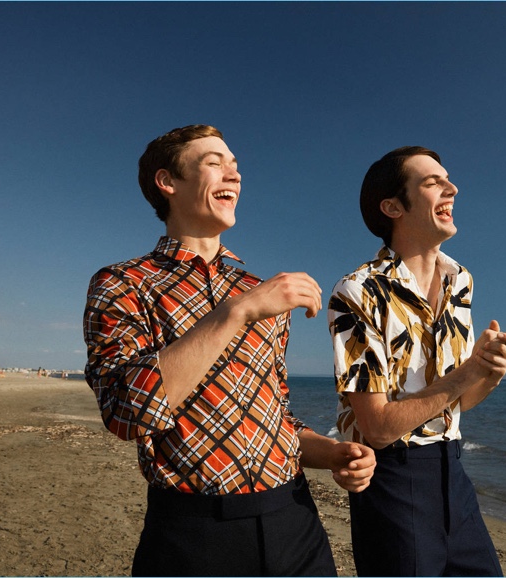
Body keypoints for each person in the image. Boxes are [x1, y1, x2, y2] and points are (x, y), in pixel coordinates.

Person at [83, 124, 376, 577]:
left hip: (294, 520)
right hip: (192, 535)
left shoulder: (261, 294)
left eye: (236, 167)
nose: (234, 176)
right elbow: (126, 412)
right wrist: (236, 313)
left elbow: (275, 415)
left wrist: (329, 451)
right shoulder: (124, 283)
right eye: (215, 164)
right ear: (168, 182)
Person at [327, 146, 506, 576]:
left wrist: (488, 371)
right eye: (433, 182)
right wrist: (467, 372)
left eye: (447, 179)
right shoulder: (357, 292)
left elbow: (456, 405)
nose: (452, 188)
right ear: (393, 207)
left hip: (454, 473)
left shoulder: (460, 280)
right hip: (394, 480)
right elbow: (377, 428)